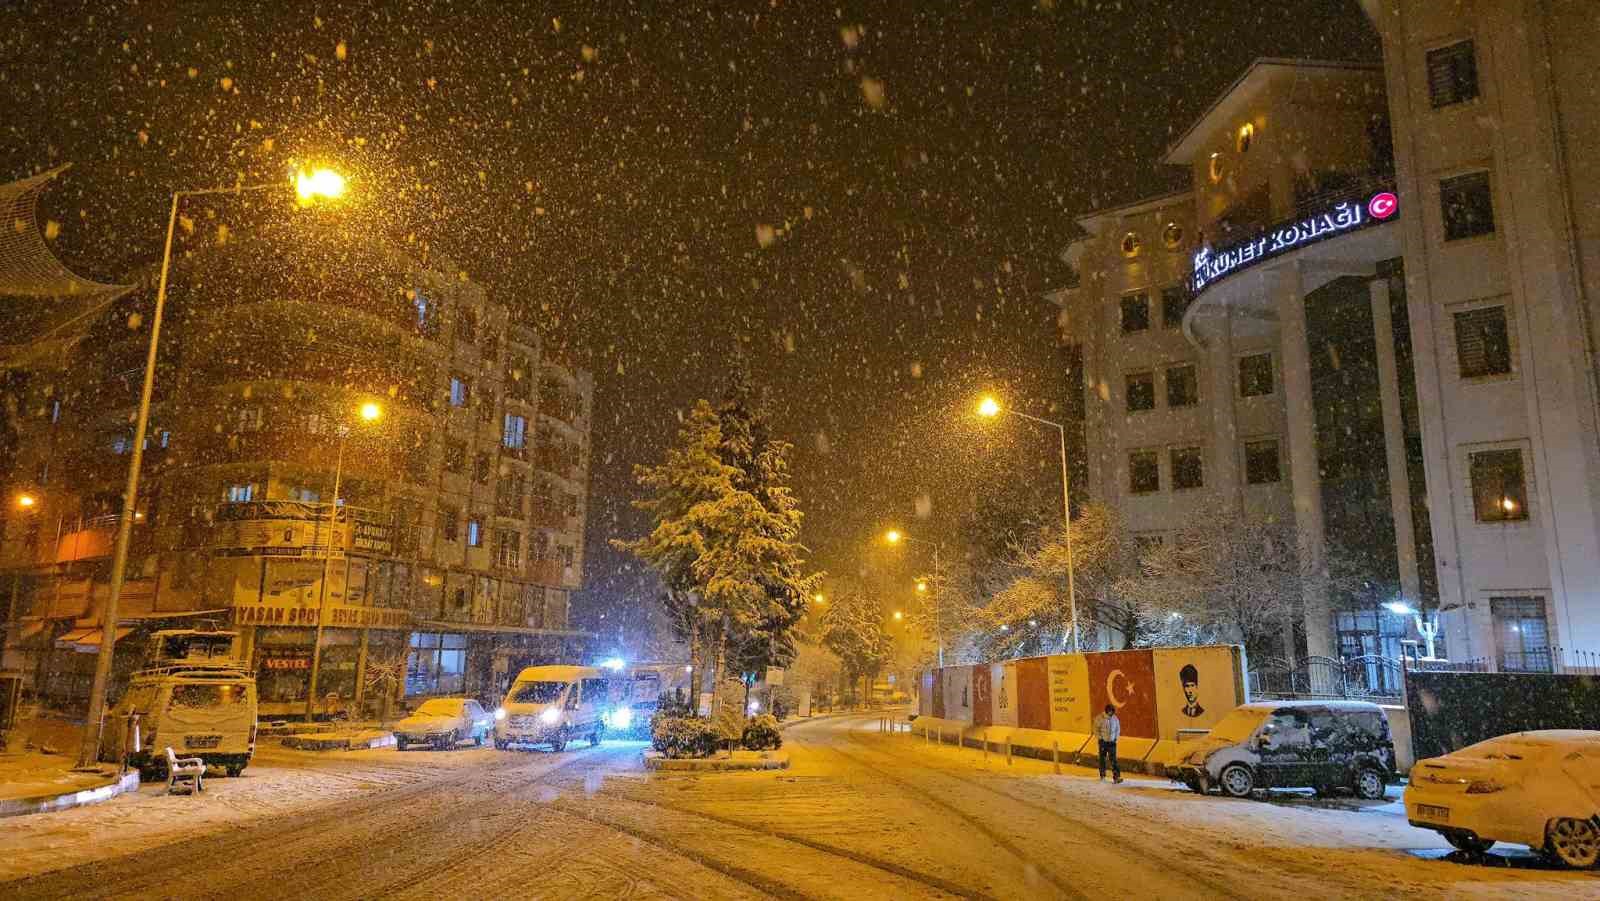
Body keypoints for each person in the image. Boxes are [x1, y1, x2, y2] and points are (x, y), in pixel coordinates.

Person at [1094, 703, 1123, 783]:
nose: (1111, 713)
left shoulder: (1115, 719)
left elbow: (1118, 729)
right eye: (1110, 711)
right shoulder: (1100, 718)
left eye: (1112, 712)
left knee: (1113, 760)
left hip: (1112, 742)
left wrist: (1116, 739)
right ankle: (1102, 775)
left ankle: (1116, 777)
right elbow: (1096, 729)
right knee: (1102, 759)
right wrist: (1100, 738)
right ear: (1106, 711)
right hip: (1103, 742)